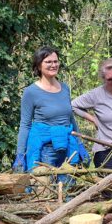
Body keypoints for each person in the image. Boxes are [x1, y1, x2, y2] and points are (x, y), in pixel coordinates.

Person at [14, 46, 89, 178]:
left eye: (56, 61)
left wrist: (80, 144)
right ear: (38, 65)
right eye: (48, 62)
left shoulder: (65, 88)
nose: (53, 65)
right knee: (45, 192)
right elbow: (25, 125)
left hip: (67, 148)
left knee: (68, 190)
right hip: (44, 151)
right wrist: (20, 155)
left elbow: (70, 119)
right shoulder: (31, 92)